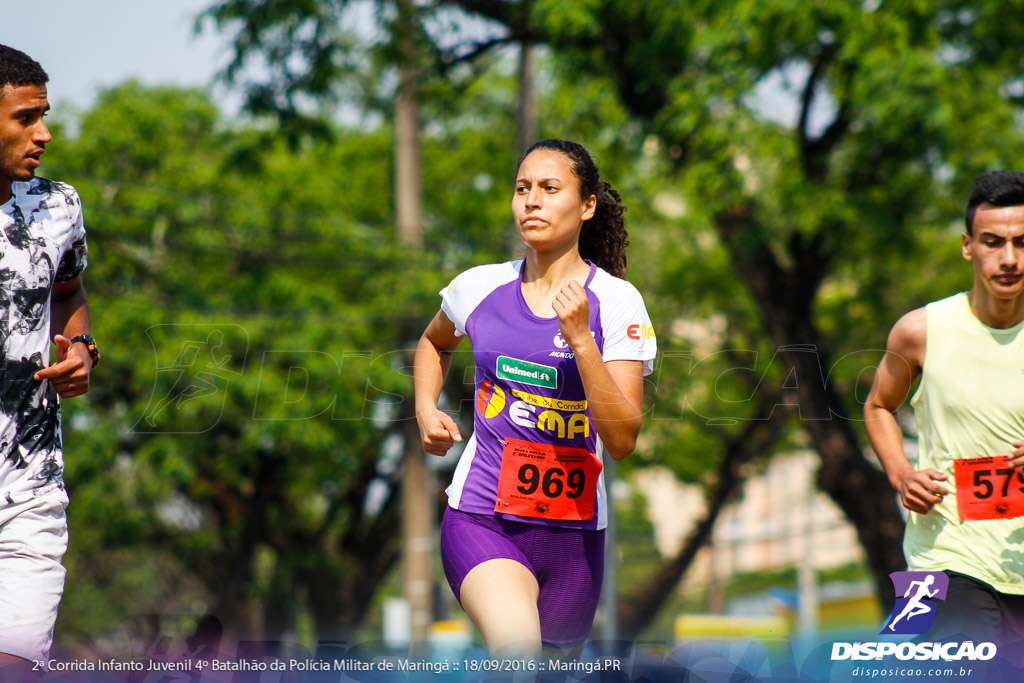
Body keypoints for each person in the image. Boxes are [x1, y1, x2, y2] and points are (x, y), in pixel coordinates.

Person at [414, 139, 656, 656]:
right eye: (522, 188)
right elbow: (434, 342)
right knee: (518, 656)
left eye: (550, 188)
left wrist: (582, 341)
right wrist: (425, 409)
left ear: (587, 205)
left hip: (574, 537)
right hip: (483, 519)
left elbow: (621, 440)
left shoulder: (616, 302)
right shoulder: (478, 287)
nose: (532, 200)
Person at [865, 170, 1024, 643]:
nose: (1009, 258)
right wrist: (901, 474)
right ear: (967, 246)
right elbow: (878, 406)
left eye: (1021, 242)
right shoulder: (920, 331)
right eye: (993, 242)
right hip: (947, 557)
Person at [0, 44, 98, 679]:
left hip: (29, 487)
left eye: (45, 114)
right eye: (26, 118)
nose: (45, 133)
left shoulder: (57, 205)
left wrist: (82, 348)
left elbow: (68, 292)